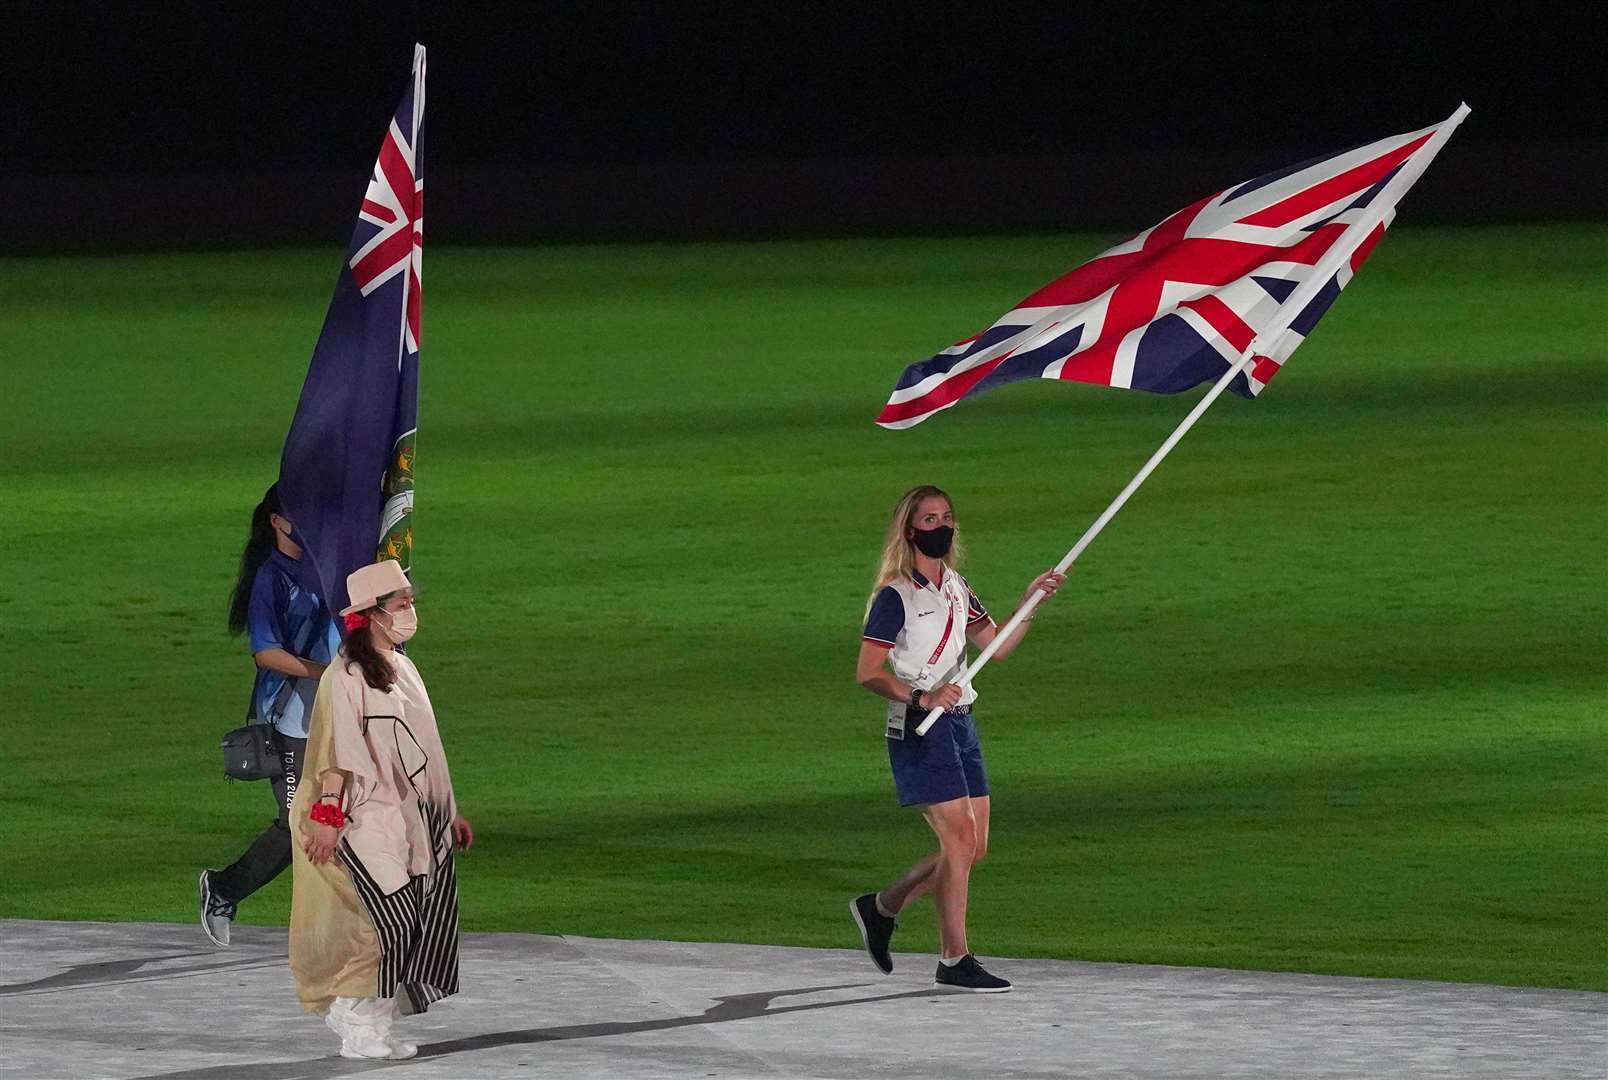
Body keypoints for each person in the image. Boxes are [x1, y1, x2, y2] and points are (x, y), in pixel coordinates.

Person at [849, 485, 1065, 993]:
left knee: (973, 847)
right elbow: (867, 671)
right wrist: (922, 696)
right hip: (920, 727)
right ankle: (954, 957)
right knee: (960, 842)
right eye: (929, 519)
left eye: (946, 517)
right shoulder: (895, 596)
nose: (940, 526)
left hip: (961, 722)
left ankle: (881, 907)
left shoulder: (957, 587)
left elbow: (997, 645)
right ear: (910, 530)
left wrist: (1030, 602)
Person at [288, 559, 472, 1061]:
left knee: (417, 920)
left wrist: (448, 810)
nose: (410, 610)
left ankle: (373, 1022)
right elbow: (335, 753)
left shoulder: (404, 669)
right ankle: (356, 1018)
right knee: (386, 921)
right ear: (371, 613)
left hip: (414, 817)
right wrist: (327, 818)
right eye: (402, 603)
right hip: (368, 817)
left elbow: (427, 748)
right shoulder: (344, 677)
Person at [200, 483, 340, 947]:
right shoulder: (272, 578)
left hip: (340, 712)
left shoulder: (328, 565)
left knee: (346, 814)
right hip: (295, 721)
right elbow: (266, 653)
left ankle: (343, 922)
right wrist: (325, 672)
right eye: (299, 512)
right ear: (277, 522)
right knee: (297, 824)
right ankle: (223, 888)